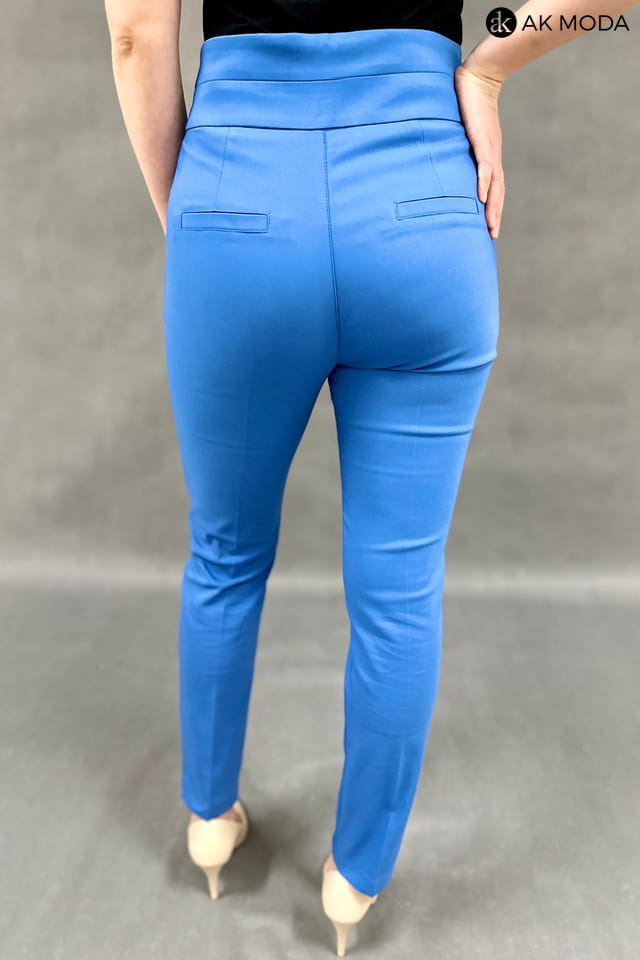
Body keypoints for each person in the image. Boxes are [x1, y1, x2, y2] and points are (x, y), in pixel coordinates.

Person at [104, 0, 637, 954]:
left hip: (238, 196)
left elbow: (137, 34)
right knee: (400, 590)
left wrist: (197, 222)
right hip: (423, 202)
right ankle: (355, 879)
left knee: (225, 552)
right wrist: (489, 68)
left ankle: (210, 819)